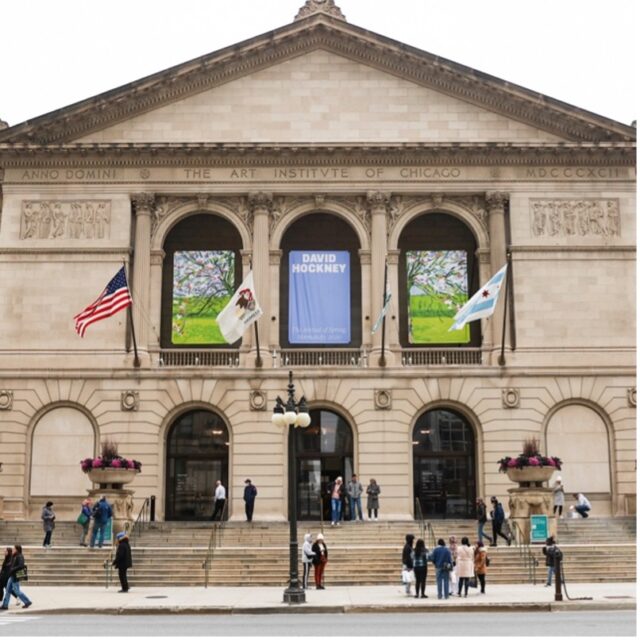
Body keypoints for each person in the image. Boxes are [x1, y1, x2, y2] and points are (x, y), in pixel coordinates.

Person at [0, 545, 32, 610]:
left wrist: (12, 569)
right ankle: (5, 605)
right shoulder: (14, 556)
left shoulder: (20, 556)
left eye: (14, 549)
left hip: (15, 576)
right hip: (12, 576)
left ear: (17, 549)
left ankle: (27, 601)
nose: (13, 550)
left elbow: (21, 565)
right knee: (8, 590)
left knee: (17, 591)